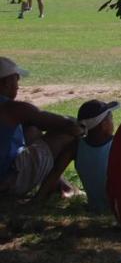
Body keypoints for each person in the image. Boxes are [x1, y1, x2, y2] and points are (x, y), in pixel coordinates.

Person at [0, 57, 83, 202]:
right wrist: (78, 125)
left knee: (31, 130)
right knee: (67, 135)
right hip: (8, 180)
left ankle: (59, 184)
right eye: (16, 78)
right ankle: (46, 193)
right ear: (6, 82)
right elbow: (54, 122)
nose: (18, 85)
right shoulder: (12, 108)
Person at [74, 99, 119, 213]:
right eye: (111, 119)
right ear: (104, 125)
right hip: (118, 209)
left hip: (94, 208)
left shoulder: (76, 146)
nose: (113, 122)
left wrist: (39, 198)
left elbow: (55, 172)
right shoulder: (118, 145)